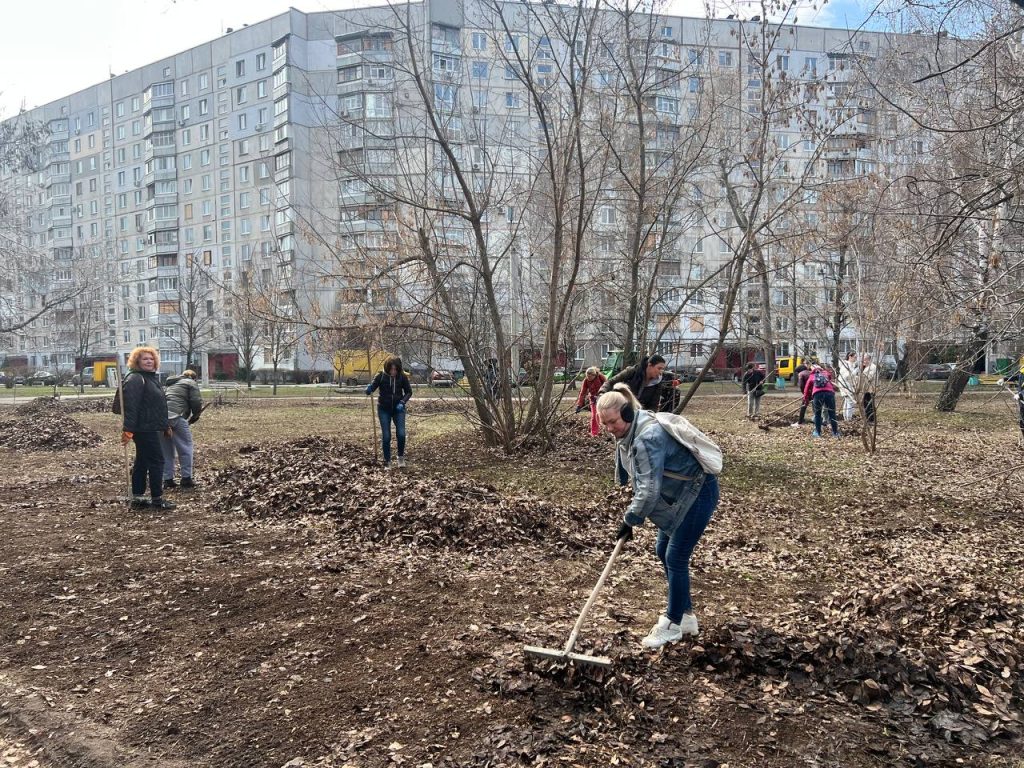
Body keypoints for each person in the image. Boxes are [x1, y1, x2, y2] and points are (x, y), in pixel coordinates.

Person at [597, 384, 719, 649]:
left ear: (627, 414)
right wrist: (632, 518)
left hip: (697, 494)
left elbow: (648, 489)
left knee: (675, 556)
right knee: (662, 549)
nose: (609, 429)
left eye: (613, 421)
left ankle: (673, 624)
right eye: (604, 424)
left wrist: (629, 520)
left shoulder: (646, 438)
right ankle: (686, 617)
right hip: (677, 496)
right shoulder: (632, 431)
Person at [121, 347, 175, 510]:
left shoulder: (150, 378)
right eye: (145, 359)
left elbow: (157, 405)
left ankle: (138, 497)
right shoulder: (136, 379)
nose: (149, 361)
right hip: (143, 428)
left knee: (142, 461)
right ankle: (157, 499)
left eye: (151, 359)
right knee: (157, 461)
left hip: (151, 426)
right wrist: (128, 429)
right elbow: (131, 406)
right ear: (137, 361)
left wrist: (165, 425)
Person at [366, 356, 412, 468]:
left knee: (401, 434)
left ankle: (400, 457)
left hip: (398, 409)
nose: (393, 372)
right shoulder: (381, 376)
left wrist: (402, 402)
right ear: (387, 368)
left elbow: (409, 392)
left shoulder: (402, 377)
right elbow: (373, 387)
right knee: (386, 436)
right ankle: (387, 461)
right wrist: (369, 389)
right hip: (383, 409)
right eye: (391, 369)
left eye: (395, 369)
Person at [161, 369, 203, 489]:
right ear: (194, 378)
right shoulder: (190, 383)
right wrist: (196, 415)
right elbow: (196, 401)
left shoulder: (171, 383)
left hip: (161, 418)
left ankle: (167, 479)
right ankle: (186, 479)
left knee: (166, 449)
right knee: (185, 447)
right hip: (177, 416)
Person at [598, 354, 668, 411]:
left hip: (640, 415)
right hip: (620, 408)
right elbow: (610, 382)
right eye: (659, 368)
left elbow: (653, 405)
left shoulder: (657, 383)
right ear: (649, 365)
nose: (661, 372)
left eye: (662, 369)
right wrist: (602, 394)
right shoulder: (632, 371)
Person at [803, 364, 840, 438]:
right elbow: (829, 376)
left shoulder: (811, 376)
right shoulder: (825, 373)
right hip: (829, 393)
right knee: (832, 413)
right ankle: (835, 433)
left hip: (817, 394)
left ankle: (818, 432)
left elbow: (806, 389)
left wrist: (806, 399)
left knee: (817, 414)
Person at [575, 366, 606, 437]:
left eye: (590, 377)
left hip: (602, 398)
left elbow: (607, 386)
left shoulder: (601, 377)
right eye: (587, 377)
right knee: (594, 415)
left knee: (603, 414)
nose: (588, 378)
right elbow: (582, 393)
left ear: (594, 375)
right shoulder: (586, 381)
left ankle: (606, 431)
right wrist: (579, 405)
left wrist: (601, 395)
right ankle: (594, 433)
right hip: (593, 399)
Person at [838, 351, 859, 421]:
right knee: (850, 402)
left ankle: (846, 418)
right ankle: (848, 419)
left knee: (847, 402)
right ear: (850, 356)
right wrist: (856, 370)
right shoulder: (845, 365)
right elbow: (847, 376)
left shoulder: (850, 365)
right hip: (846, 387)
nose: (856, 359)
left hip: (849, 386)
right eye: (855, 357)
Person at [792, 362, 813, 427]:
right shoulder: (811, 372)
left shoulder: (801, 374)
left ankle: (800, 422)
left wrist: (804, 394)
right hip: (815, 392)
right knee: (816, 407)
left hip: (808, 393)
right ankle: (820, 421)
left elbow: (801, 385)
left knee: (803, 406)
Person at [860, 354, 878, 425]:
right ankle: (867, 419)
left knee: (869, 405)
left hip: (870, 389)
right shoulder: (866, 367)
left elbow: (869, 377)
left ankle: (871, 420)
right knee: (865, 404)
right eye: (863, 359)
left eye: (864, 359)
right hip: (865, 389)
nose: (863, 361)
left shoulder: (872, 367)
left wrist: (861, 374)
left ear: (868, 359)